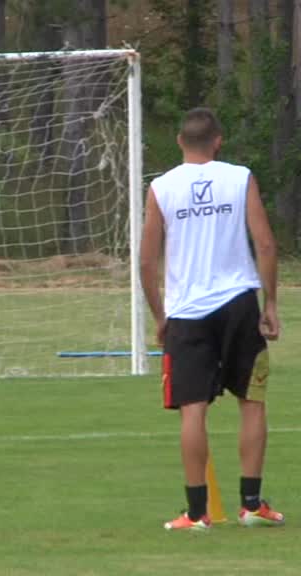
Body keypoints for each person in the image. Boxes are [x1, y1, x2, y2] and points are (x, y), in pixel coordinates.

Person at [140, 108, 285, 531]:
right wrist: (270, 303)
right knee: (252, 402)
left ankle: (196, 513)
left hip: (187, 311)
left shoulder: (162, 187)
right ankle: (252, 505)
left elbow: (147, 260)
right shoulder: (239, 177)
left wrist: (159, 315)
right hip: (239, 303)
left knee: (193, 409)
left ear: (181, 143)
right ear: (217, 140)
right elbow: (266, 243)